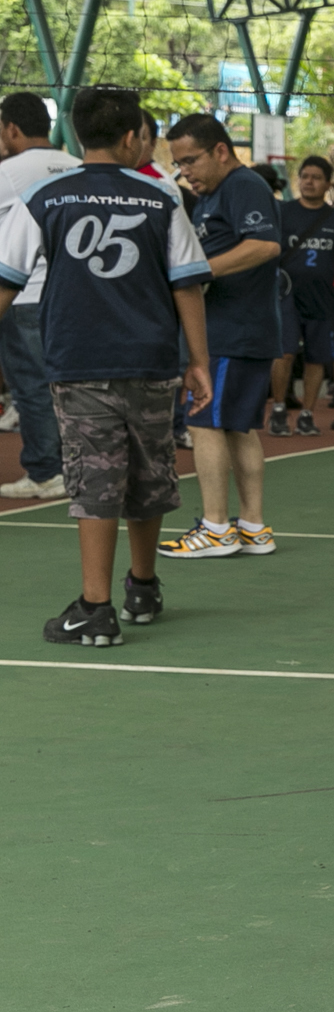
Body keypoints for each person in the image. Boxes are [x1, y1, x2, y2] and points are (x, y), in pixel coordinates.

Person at [0, 86, 213, 641]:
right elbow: (187, 285)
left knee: (95, 478)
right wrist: (199, 361)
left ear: (76, 135)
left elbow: (6, 279)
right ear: (131, 138)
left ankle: (95, 608)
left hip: (80, 361)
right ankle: (142, 585)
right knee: (148, 472)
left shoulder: (44, 198)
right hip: (151, 361)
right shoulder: (162, 197)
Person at [160, 114, 284, 559]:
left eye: (191, 160)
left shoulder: (243, 185)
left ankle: (215, 528)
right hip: (237, 330)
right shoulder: (210, 197)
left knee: (203, 422)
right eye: (178, 164)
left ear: (220, 151)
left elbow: (266, 244)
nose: (185, 171)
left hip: (233, 331)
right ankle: (252, 527)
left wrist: (198, 272)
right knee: (236, 428)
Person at [0, 90, 85, 500]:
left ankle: (46, 471)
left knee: (32, 387)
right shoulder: (77, 166)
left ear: (12, 128)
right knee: (73, 385)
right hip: (74, 295)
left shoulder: (8, 172)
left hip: (23, 293)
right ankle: (79, 466)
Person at [269, 154, 334, 438]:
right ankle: (279, 408)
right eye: (305, 176)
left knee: (317, 358)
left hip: (322, 297)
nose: (309, 182)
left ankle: (307, 413)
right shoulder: (283, 212)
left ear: (328, 184)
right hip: (286, 296)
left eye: (316, 178)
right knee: (284, 353)